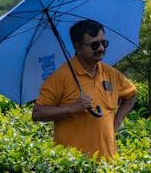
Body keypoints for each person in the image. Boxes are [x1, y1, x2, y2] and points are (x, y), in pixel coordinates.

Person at [32, 19, 137, 159]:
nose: (101, 48)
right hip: (75, 167)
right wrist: (73, 108)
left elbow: (132, 94)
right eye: (94, 45)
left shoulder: (111, 73)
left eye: (103, 43)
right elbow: (38, 113)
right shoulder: (60, 77)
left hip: (108, 164)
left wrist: (116, 122)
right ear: (78, 47)